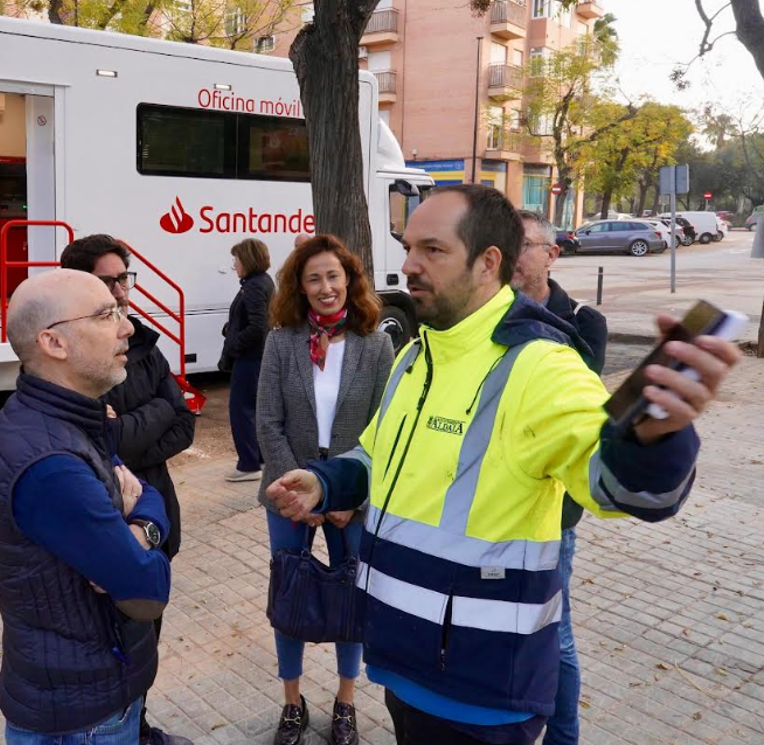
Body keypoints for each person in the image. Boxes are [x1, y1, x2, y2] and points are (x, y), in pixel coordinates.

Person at [266, 185, 740, 745]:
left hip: (480, 689)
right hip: (402, 664)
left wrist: (656, 438)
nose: (410, 265)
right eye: (409, 246)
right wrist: (325, 482)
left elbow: (626, 489)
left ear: (489, 261)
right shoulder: (417, 354)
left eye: (433, 250)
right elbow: (377, 454)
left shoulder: (543, 365)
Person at [0, 269, 173, 744]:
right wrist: (145, 533)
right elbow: (147, 590)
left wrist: (141, 527)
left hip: (83, 692)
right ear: (54, 343)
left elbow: (146, 494)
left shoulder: (64, 419)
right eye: (107, 314)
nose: (127, 326)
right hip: (83, 719)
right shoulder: (52, 463)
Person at [256, 235, 395, 745]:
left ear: (350, 280)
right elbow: (267, 422)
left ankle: (345, 700)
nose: (325, 287)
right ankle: (292, 701)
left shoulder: (377, 343)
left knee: (351, 599)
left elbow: (385, 428)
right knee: (289, 598)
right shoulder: (281, 340)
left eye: (333, 276)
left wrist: (342, 495)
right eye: (313, 278)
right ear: (299, 285)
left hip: (350, 497)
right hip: (287, 492)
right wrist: (300, 495)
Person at [60, 234, 196, 745]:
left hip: (157, 516)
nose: (120, 291)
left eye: (124, 278)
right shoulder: (68, 357)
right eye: (107, 280)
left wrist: (134, 424)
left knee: (146, 637)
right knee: (103, 642)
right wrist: (154, 415)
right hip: (103, 527)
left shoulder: (145, 344)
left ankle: (137, 726)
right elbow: (96, 444)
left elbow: (184, 425)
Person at [511, 210, 609, 745]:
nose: (511, 255)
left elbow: (574, 414)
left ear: (552, 254)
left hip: (554, 508)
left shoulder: (582, 320)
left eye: (523, 245)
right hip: (499, 501)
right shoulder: (490, 314)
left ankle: (564, 736)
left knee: (557, 633)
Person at [220, 237, 275, 482]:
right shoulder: (260, 282)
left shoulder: (253, 286)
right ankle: (259, 457)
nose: (234, 264)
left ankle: (248, 465)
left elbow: (257, 326)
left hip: (250, 358)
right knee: (254, 409)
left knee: (241, 411)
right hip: (257, 357)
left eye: (237, 259)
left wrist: (233, 342)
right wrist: (230, 327)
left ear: (248, 260)